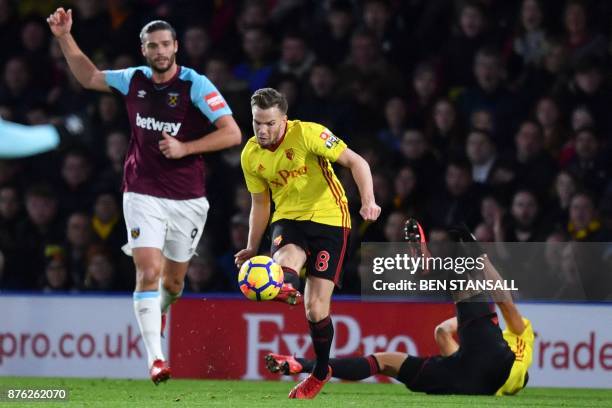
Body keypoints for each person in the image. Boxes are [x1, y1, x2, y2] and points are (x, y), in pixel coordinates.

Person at [47, 8, 241, 384]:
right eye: (153, 46)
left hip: (187, 197)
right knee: (148, 272)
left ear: (176, 47)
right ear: (143, 49)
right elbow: (88, 77)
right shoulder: (132, 79)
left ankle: (162, 309)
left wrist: (186, 149)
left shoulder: (195, 85)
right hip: (141, 191)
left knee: (172, 285)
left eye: (166, 45)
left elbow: (232, 133)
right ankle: (156, 358)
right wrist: (63, 36)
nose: (160, 51)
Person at [266, 220, 535, 396]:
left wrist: (476, 247)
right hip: (473, 380)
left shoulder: (524, 334)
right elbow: (447, 332)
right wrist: (462, 317)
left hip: (477, 368)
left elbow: (505, 302)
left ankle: (427, 267)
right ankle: (300, 364)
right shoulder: (514, 359)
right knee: (383, 361)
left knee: (478, 290)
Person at [235, 88, 380, 399]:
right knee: (287, 256)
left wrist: (368, 201)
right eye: (257, 123)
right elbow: (260, 204)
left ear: (284, 120)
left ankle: (320, 371)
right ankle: (285, 286)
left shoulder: (309, 134)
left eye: (270, 123)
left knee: (316, 310)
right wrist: (251, 246)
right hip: (288, 219)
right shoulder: (250, 155)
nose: (263, 130)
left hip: (331, 219)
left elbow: (358, 163)